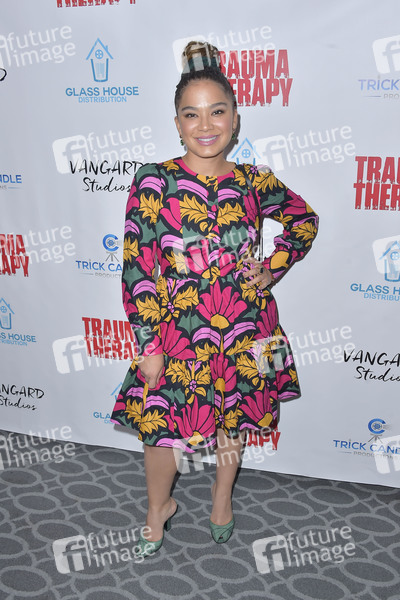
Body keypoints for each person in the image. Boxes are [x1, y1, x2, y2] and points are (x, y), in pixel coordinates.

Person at [111, 41, 319, 557]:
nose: (205, 125)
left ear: (235, 119)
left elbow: (304, 220)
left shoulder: (254, 181)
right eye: (192, 114)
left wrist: (272, 268)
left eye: (217, 111)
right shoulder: (154, 181)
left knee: (236, 417)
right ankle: (158, 507)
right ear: (177, 123)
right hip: (176, 330)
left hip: (247, 327)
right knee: (160, 428)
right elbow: (137, 267)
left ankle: (221, 497)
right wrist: (148, 343)